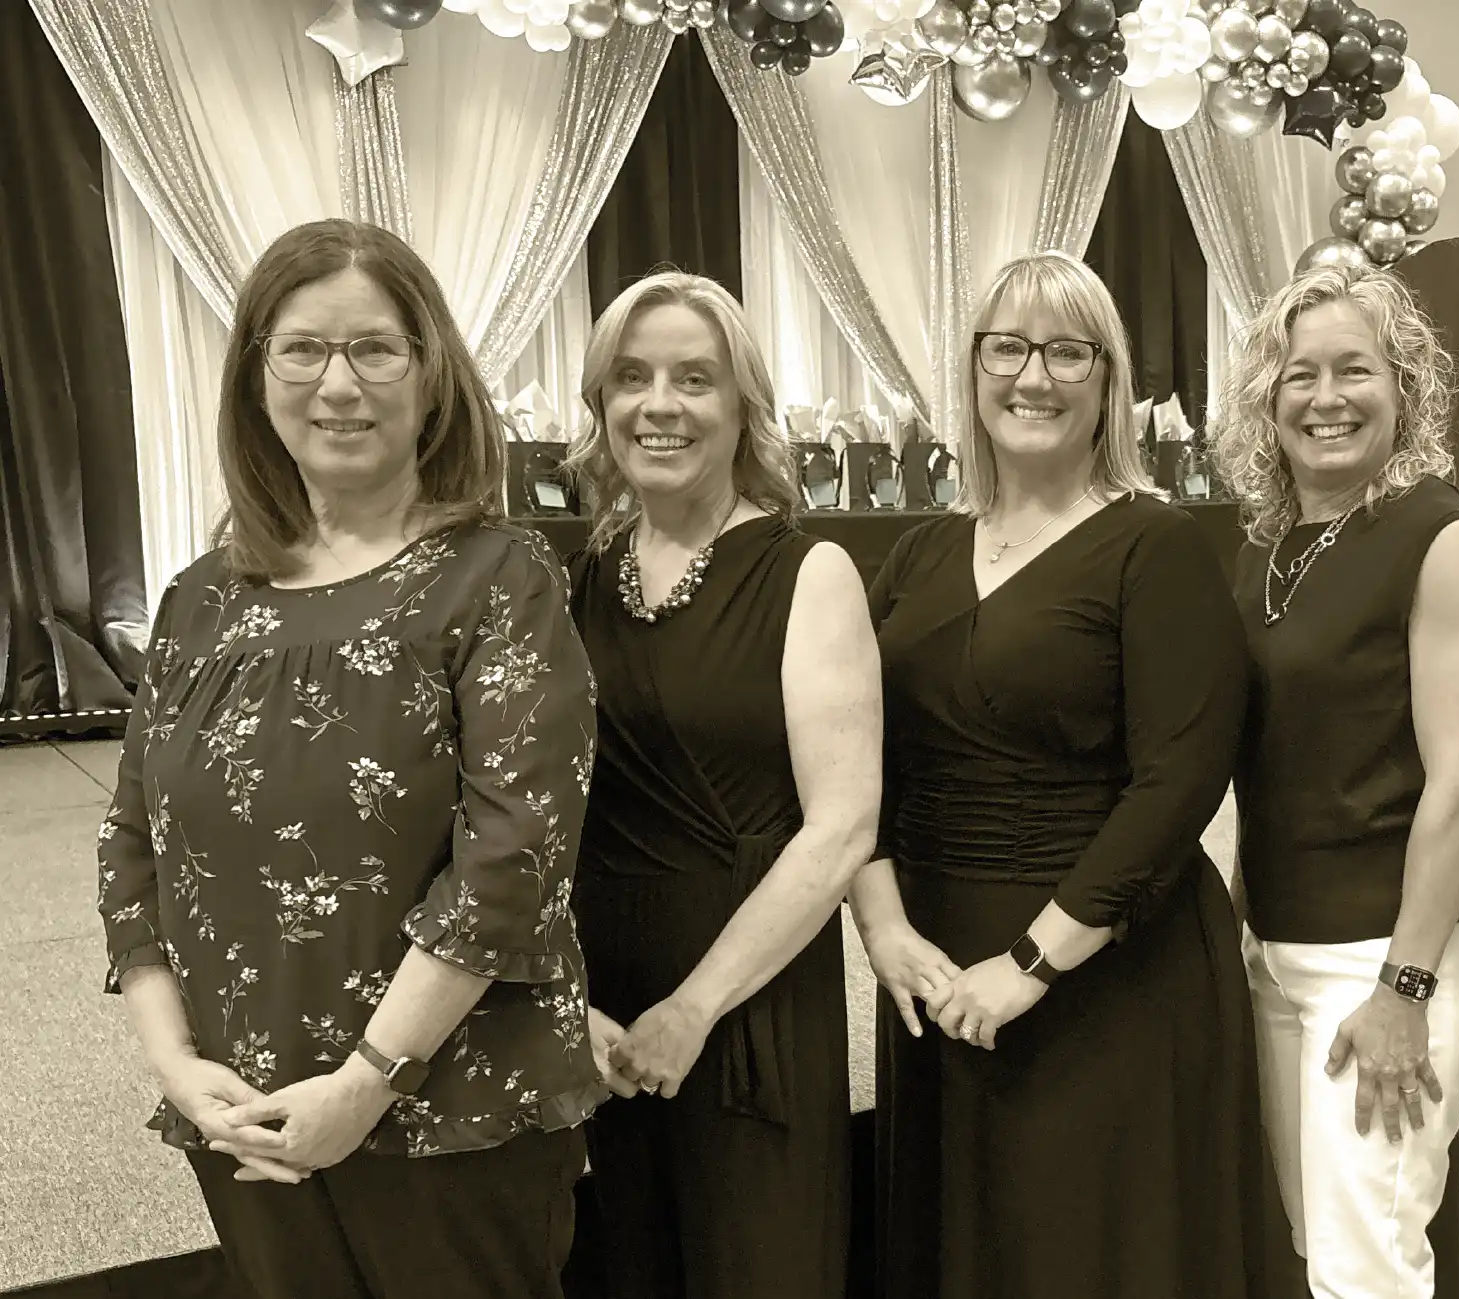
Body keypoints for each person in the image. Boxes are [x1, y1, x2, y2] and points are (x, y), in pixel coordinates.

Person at [96, 219, 602, 1299]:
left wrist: (366, 1083)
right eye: (302, 351)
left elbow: (511, 864)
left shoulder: (497, 578)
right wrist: (179, 1069)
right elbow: (131, 846)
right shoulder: (201, 599)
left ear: (430, 380)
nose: (339, 384)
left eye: (376, 349)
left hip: (445, 1109)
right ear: (254, 379)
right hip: (242, 1110)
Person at [853, 250, 1301, 1299]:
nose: (1033, 376)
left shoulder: (1157, 546)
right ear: (971, 372)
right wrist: (883, 932)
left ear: (1110, 381)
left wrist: (1031, 964)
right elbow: (856, 764)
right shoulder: (917, 554)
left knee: (1088, 1251)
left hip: (1105, 973)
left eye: (1068, 351)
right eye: (1006, 347)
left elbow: (1178, 784)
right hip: (933, 970)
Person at [563, 271, 880, 1299]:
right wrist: (567, 1000)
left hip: (745, 1001)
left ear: (742, 405)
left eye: (694, 378)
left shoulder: (806, 572)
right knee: (633, 1264)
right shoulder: (589, 572)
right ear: (600, 402)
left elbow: (840, 830)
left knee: (759, 1264)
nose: (659, 404)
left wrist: (693, 1010)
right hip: (608, 997)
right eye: (633, 377)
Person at [1213, 265, 1459, 1298]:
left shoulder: (1443, 539)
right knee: (1319, 1249)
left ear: (1405, 389)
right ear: (1267, 396)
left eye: (1355, 371)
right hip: (1283, 948)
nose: (1325, 398)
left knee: (1366, 1268)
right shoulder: (1264, 546)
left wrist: (1403, 989)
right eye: (1299, 375)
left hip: (1388, 961)